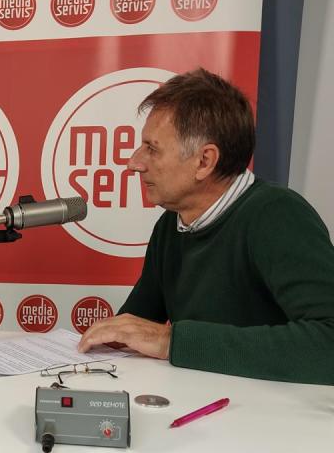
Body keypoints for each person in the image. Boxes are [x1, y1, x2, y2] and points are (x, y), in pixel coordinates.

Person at [77, 69, 334, 385]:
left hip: (263, 413)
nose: (134, 163)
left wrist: (172, 342)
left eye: (152, 148)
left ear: (204, 161)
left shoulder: (277, 215)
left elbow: (329, 343)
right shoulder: (171, 225)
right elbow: (134, 327)